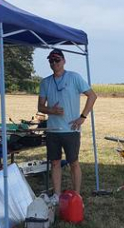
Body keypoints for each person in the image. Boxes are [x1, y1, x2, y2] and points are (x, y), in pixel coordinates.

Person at [37, 49, 97, 200]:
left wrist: (82, 117)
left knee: (73, 163)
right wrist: (52, 110)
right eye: (51, 61)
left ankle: (76, 195)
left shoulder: (74, 77)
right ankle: (57, 195)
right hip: (52, 130)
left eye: (57, 60)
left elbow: (92, 95)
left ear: (64, 61)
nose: (54, 63)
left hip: (71, 129)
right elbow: (40, 107)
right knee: (55, 163)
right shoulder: (45, 82)